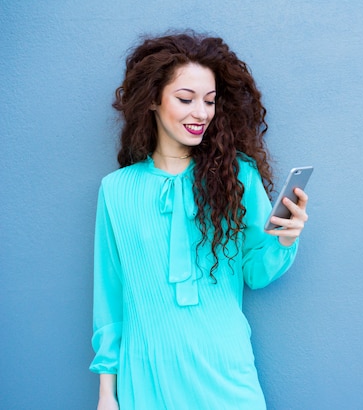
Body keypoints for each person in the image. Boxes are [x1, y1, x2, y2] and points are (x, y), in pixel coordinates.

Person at [89, 31, 309, 410]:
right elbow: (110, 298)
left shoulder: (239, 176)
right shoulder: (116, 190)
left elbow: (255, 272)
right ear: (154, 100)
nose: (201, 113)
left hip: (224, 367)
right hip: (146, 374)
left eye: (209, 101)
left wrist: (285, 239)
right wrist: (107, 393)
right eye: (185, 99)